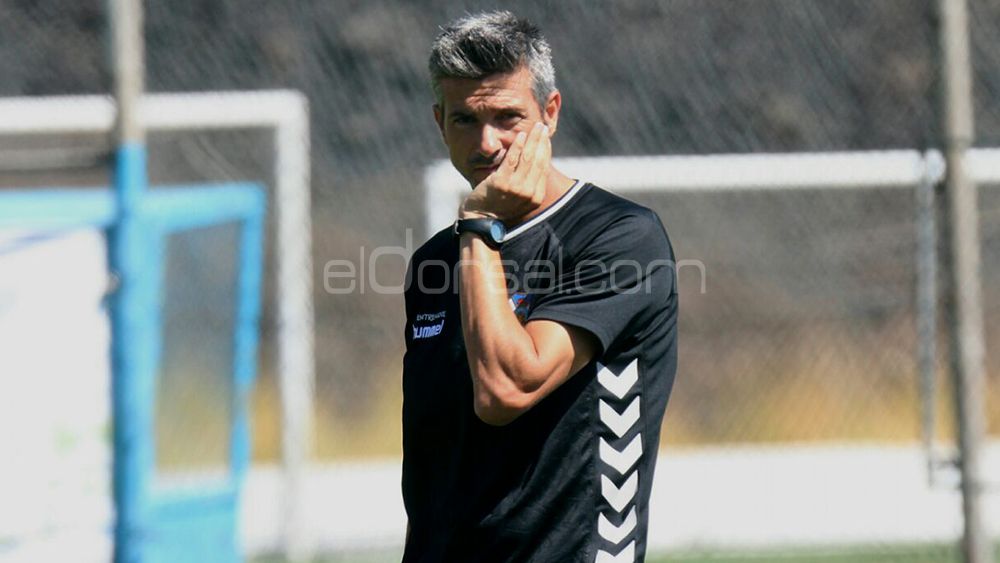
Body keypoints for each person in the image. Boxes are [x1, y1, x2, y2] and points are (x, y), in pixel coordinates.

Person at [402, 10, 678, 563]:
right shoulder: (437, 259)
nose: (487, 143)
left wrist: (479, 227)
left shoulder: (620, 238)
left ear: (549, 114)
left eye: (508, 117)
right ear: (439, 123)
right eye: (464, 120)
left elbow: (507, 389)